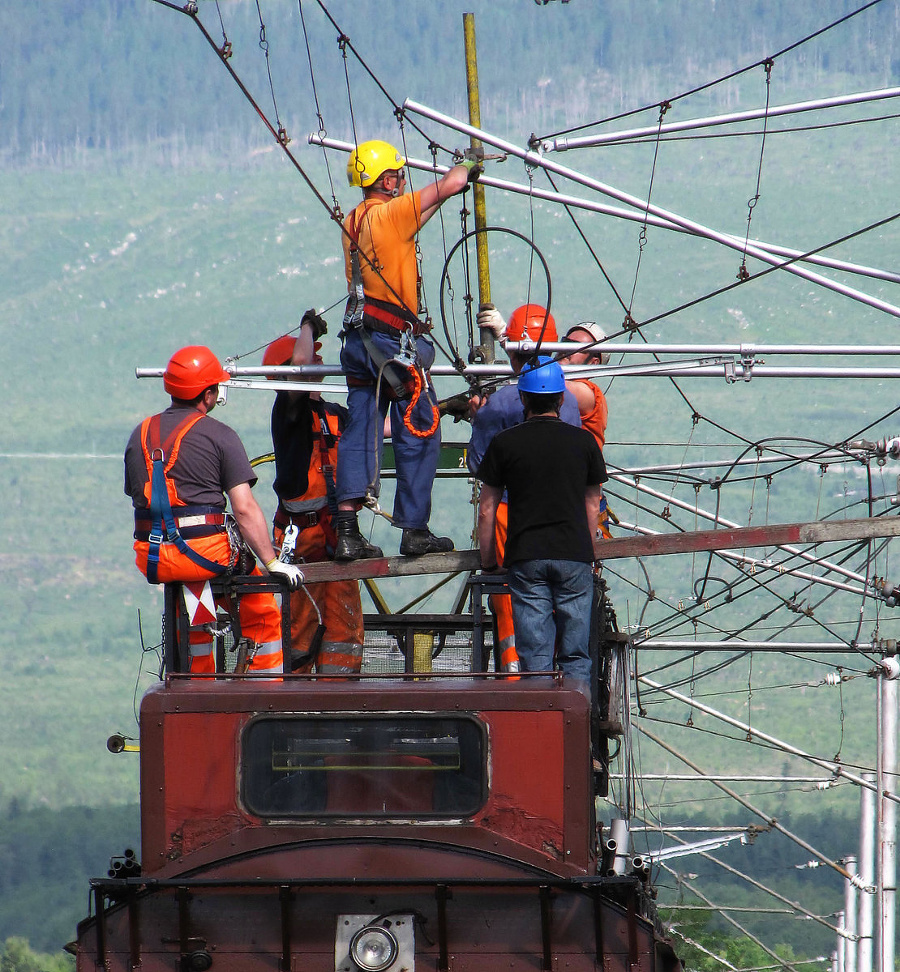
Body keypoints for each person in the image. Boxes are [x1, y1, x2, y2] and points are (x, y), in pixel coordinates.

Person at [335, 138, 481, 560]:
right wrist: (467, 166)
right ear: (386, 179)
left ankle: (347, 529)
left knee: (361, 430)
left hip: (361, 340)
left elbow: (420, 214)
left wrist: (449, 190)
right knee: (420, 426)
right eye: (397, 173)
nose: (402, 178)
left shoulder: (356, 219)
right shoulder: (392, 214)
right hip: (391, 342)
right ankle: (414, 528)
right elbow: (451, 184)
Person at [124, 345, 302, 674]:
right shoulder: (220, 436)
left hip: (153, 557)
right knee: (260, 603)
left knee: (197, 600)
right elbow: (245, 509)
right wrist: (272, 561)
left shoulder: (140, 435)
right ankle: (265, 690)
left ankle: (197, 682)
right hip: (205, 554)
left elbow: (141, 499)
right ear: (207, 393)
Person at [475, 357, 607, 692]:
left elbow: (488, 509)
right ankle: (576, 737)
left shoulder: (505, 443)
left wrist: (489, 561)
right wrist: (588, 553)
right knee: (576, 656)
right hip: (575, 556)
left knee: (535, 658)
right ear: (562, 398)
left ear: (522, 398)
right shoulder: (584, 443)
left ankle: (540, 735)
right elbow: (593, 504)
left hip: (526, 557)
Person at [466, 304, 581, 673]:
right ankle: (566, 685)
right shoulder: (571, 403)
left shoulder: (497, 406)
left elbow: (481, 472)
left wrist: (477, 416)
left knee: (512, 607)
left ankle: (519, 683)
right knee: (565, 615)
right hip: (565, 520)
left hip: (509, 517)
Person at [264, 312, 366, 675]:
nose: (318, 359)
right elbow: (299, 368)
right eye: (310, 355)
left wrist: (435, 411)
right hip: (301, 539)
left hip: (335, 538)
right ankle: (296, 701)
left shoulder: (332, 415)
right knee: (301, 630)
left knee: (344, 626)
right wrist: (306, 325)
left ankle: (340, 700)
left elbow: (378, 428)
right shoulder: (289, 415)